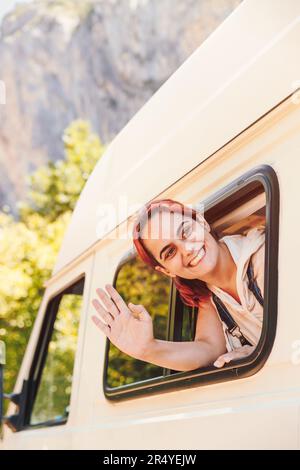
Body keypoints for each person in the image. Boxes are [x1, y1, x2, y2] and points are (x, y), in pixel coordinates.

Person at [91, 198, 265, 371]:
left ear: (202, 222)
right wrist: (148, 350)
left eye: (186, 232)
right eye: (170, 252)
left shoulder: (263, 255)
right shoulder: (210, 297)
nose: (187, 249)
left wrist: (258, 351)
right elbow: (208, 349)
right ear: (167, 271)